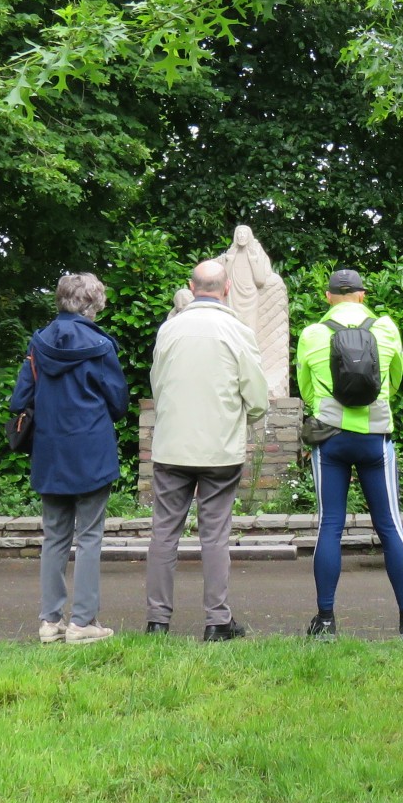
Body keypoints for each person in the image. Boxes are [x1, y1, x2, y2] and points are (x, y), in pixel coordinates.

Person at [295, 268, 403, 639]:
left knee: (330, 525)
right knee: (390, 526)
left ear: (328, 297)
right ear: (363, 295)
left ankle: (324, 622)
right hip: (375, 437)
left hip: (331, 439)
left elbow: (305, 387)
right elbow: (394, 380)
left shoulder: (313, 333)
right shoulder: (385, 329)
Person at [145, 258, 269, 640]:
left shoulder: (170, 330)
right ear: (227, 287)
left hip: (171, 447)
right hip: (220, 449)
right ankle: (217, 621)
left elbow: (157, 384)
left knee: (164, 532)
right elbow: (258, 397)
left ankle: (157, 620)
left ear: (191, 285)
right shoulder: (236, 331)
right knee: (214, 535)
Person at [11, 273, 127, 646]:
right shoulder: (100, 344)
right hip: (91, 449)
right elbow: (119, 403)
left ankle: (50, 621)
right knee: (90, 536)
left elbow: (19, 400)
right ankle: (83, 622)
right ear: (93, 304)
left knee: (54, 537)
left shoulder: (39, 342)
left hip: (50, 449)